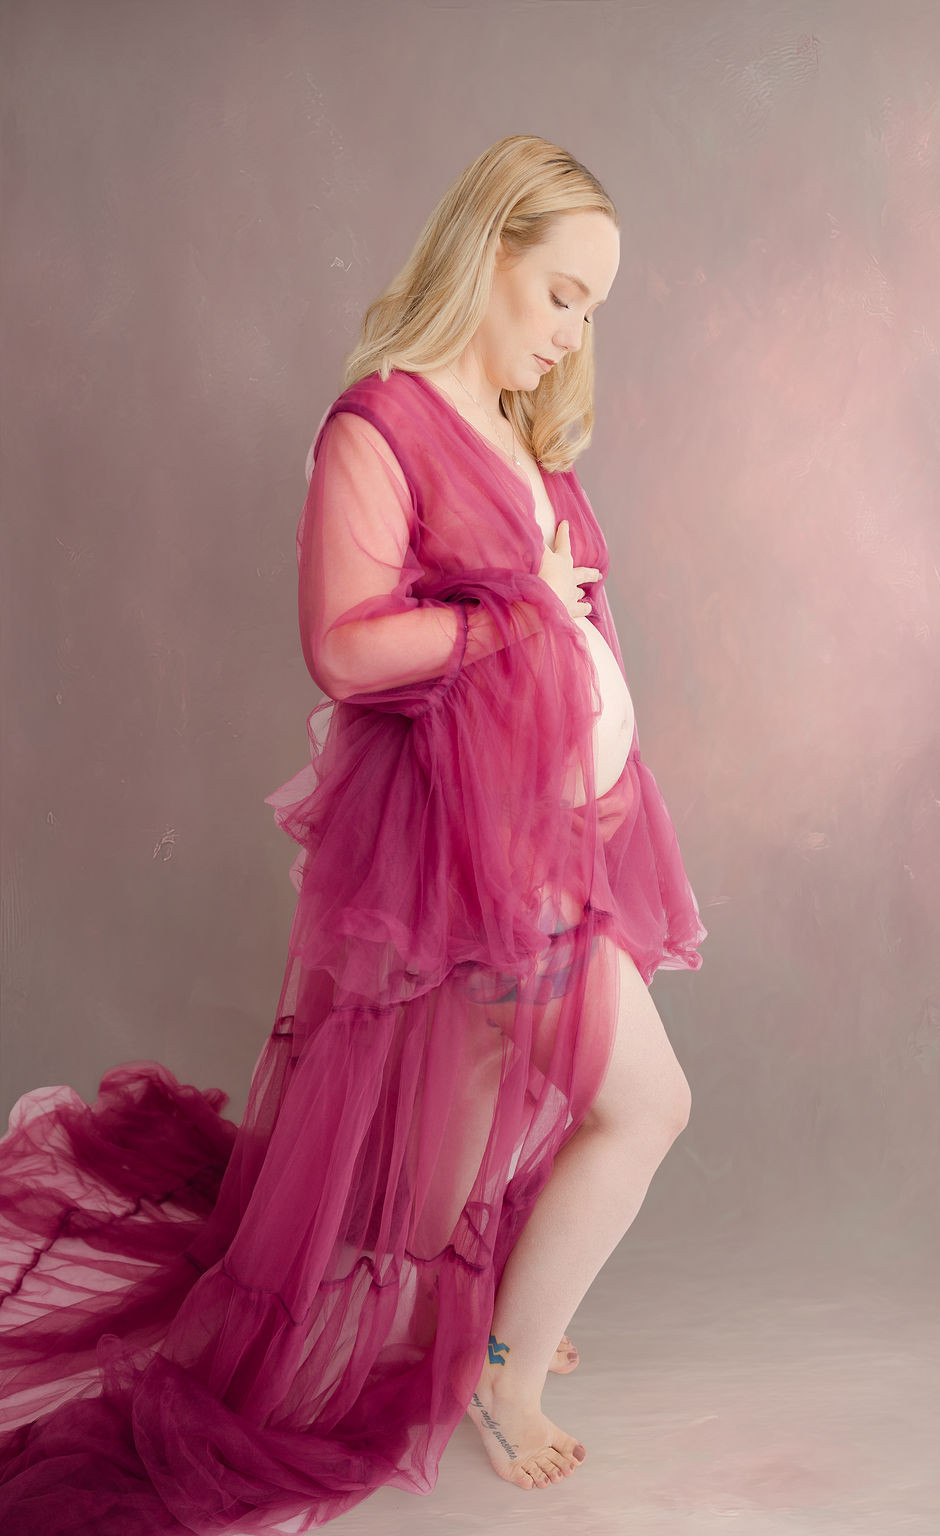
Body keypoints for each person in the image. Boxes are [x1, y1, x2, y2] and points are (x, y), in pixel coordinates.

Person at [0, 134, 706, 1533]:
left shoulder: (517, 429)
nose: (575, 333)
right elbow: (343, 645)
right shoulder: (380, 423)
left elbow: (566, 624)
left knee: (447, 1147)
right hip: (464, 859)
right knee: (636, 1104)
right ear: (489, 251)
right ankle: (500, 1373)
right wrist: (519, 618)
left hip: (536, 849)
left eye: (594, 310)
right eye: (563, 294)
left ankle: (469, 1323)